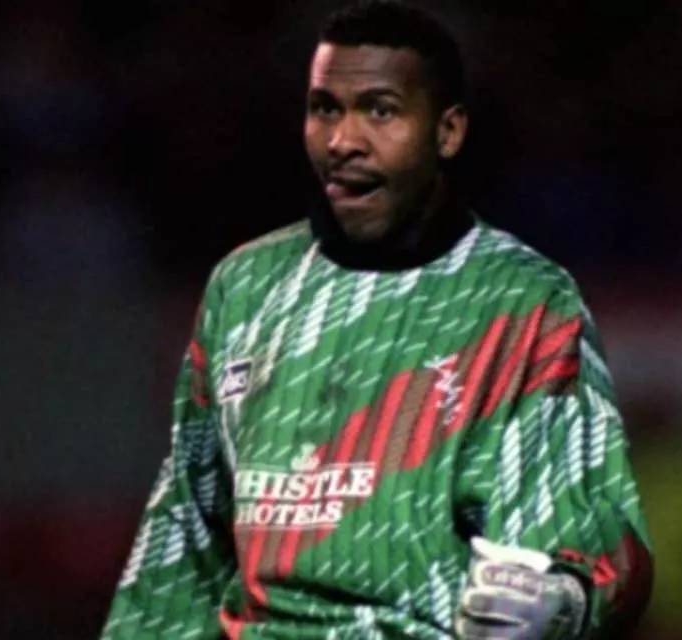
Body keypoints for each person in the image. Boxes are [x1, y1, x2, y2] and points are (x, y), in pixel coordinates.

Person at [101, 1, 653, 637]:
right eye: (325, 109)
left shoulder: (525, 303)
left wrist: (560, 599)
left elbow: (584, 540)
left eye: (380, 111)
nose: (343, 141)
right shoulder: (244, 288)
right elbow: (187, 536)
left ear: (448, 131)